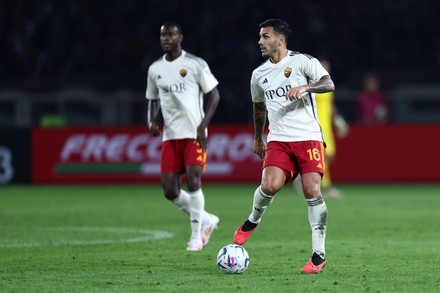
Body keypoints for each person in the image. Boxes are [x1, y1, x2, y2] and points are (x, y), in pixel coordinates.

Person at [233, 19, 335, 274]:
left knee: (312, 190)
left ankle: (318, 256)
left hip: (308, 136)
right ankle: (251, 221)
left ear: (280, 39)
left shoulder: (303, 62)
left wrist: (306, 86)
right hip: (279, 139)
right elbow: (258, 107)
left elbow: (328, 83)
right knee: (270, 185)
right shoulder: (258, 75)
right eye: (260, 37)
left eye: (265, 36)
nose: (260, 41)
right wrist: (258, 138)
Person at [146, 21, 221, 251]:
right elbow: (153, 98)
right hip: (171, 135)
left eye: (170, 34)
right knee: (170, 190)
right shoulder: (155, 69)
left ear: (180, 38)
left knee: (193, 178)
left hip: (193, 133)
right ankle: (207, 218)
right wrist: (151, 120)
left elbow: (214, 96)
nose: (166, 38)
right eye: (162, 35)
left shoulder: (195, 64)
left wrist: (203, 126)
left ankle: (196, 236)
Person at [296, 59, 349, 198]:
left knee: (329, 156)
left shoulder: (327, 85)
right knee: (324, 156)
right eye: (323, 67)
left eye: (327, 68)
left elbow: (330, 104)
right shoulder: (311, 86)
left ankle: (304, 177)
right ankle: (324, 186)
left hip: (326, 125)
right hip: (316, 125)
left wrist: (338, 120)